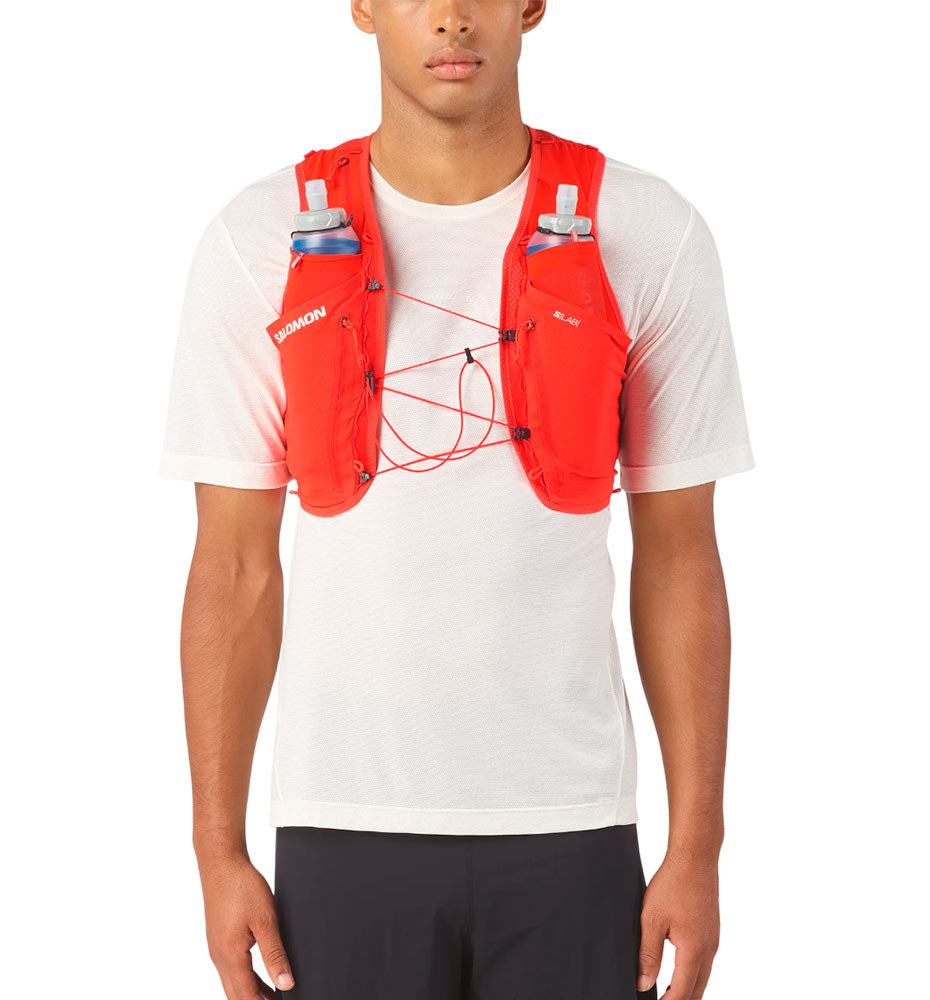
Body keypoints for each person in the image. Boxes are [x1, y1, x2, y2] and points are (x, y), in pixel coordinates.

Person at [158, 1, 754, 997]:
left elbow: (681, 556)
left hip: (571, 823)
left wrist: (697, 851)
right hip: (343, 820)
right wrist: (216, 852)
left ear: (531, 6)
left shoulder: (648, 231)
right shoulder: (259, 237)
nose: (450, 17)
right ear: (362, 7)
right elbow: (232, 565)